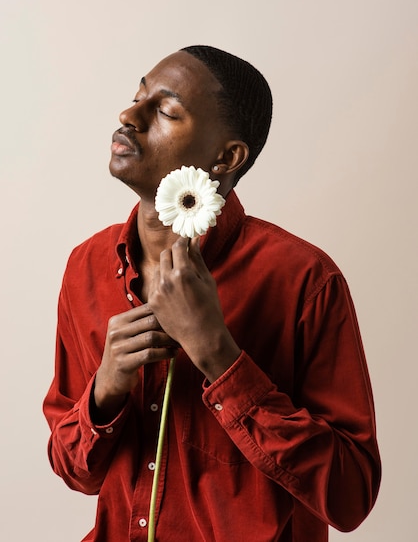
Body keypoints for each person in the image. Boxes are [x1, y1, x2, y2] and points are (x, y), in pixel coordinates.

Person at [43, 45, 381, 542]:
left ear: (226, 157)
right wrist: (105, 390)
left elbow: (351, 497)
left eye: (166, 110)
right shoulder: (86, 267)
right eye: (138, 95)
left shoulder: (304, 279)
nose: (128, 115)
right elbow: (76, 472)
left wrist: (219, 357)